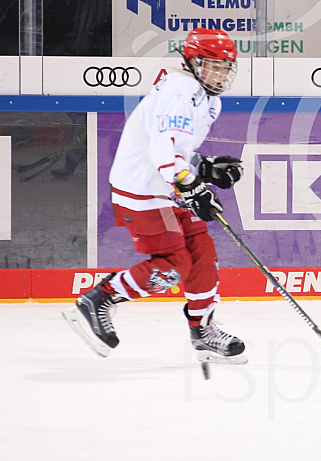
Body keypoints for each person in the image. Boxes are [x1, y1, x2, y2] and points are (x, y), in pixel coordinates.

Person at [64, 28, 246, 362]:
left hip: (166, 186)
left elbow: (176, 147)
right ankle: (100, 298)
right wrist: (191, 186)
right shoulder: (181, 88)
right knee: (174, 265)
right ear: (192, 62)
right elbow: (162, 146)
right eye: (212, 66)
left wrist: (205, 170)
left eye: (225, 67)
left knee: (201, 252)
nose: (219, 74)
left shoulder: (210, 100)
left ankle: (202, 328)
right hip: (142, 190)